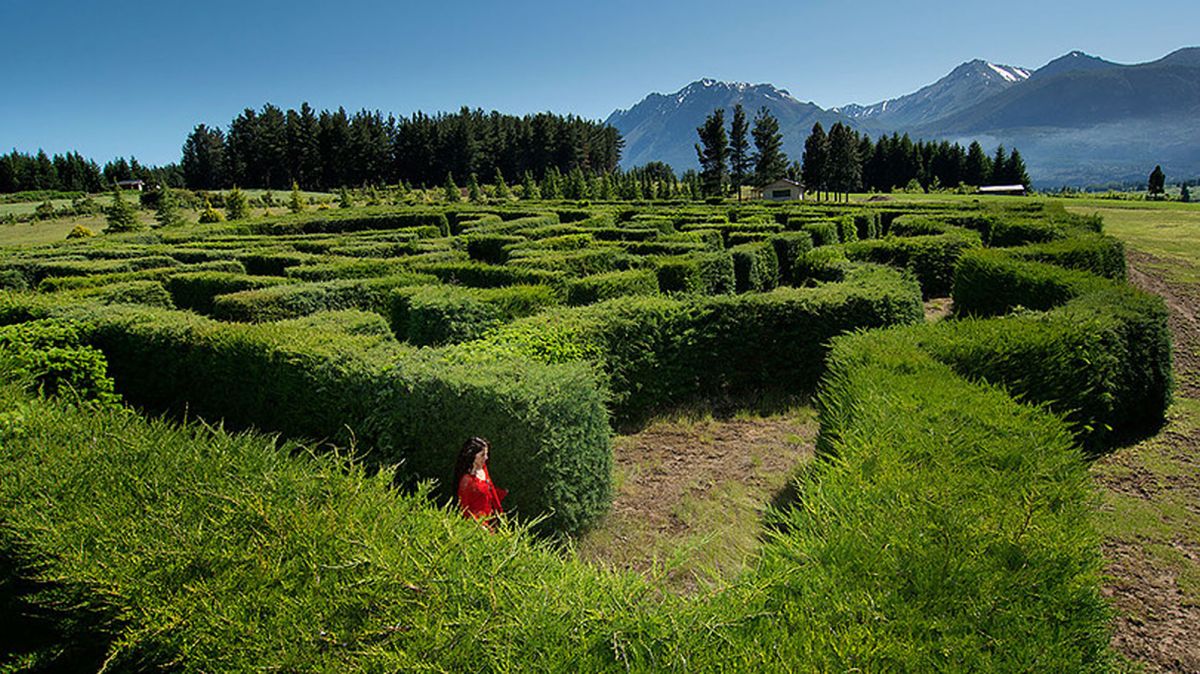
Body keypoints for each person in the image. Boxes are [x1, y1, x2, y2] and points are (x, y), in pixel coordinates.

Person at [453, 436, 507, 530]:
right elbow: (464, 509)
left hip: (489, 521)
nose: (486, 458)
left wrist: (499, 512)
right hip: (478, 527)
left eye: (486, 454)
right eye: (482, 455)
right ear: (472, 456)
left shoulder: (483, 469)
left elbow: (491, 488)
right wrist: (479, 526)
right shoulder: (466, 481)